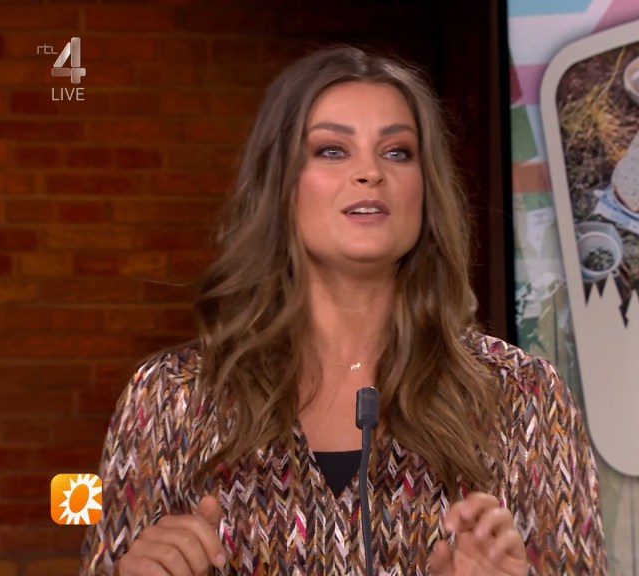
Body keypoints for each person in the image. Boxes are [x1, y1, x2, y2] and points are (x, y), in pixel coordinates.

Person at [80, 46, 607, 575]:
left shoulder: (524, 397)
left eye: (397, 152)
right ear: (279, 183)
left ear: (426, 188)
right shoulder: (170, 398)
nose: (370, 172)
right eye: (332, 150)